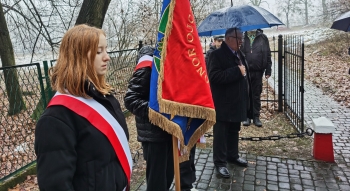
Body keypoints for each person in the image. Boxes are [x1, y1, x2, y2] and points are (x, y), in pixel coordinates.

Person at [35, 24, 132, 191]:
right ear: (78, 57)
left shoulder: (105, 98)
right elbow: (56, 185)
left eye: (106, 49)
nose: (107, 57)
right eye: (98, 51)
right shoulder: (56, 118)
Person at [124, 45, 197, 191]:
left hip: (171, 132)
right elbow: (131, 100)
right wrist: (163, 111)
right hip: (154, 135)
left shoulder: (176, 58)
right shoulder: (149, 60)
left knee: (168, 177)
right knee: (157, 184)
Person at [207, 28, 253, 179]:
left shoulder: (239, 54)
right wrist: (236, 71)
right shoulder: (216, 55)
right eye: (238, 38)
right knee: (221, 134)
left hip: (237, 101)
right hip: (223, 103)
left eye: (242, 38)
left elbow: (243, 73)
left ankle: (232, 156)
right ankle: (220, 163)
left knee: (234, 130)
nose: (241, 41)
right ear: (228, 38)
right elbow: (214, 76)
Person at [241, 29, 272, 127]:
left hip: (258, 71)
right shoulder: (242, 37)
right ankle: (246, 116)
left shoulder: (263, 38)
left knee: (256, 93)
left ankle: (256, 116)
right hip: (245, 71)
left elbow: (268, 54)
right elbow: (238, 54)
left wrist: (268, 70)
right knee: (246, 93)